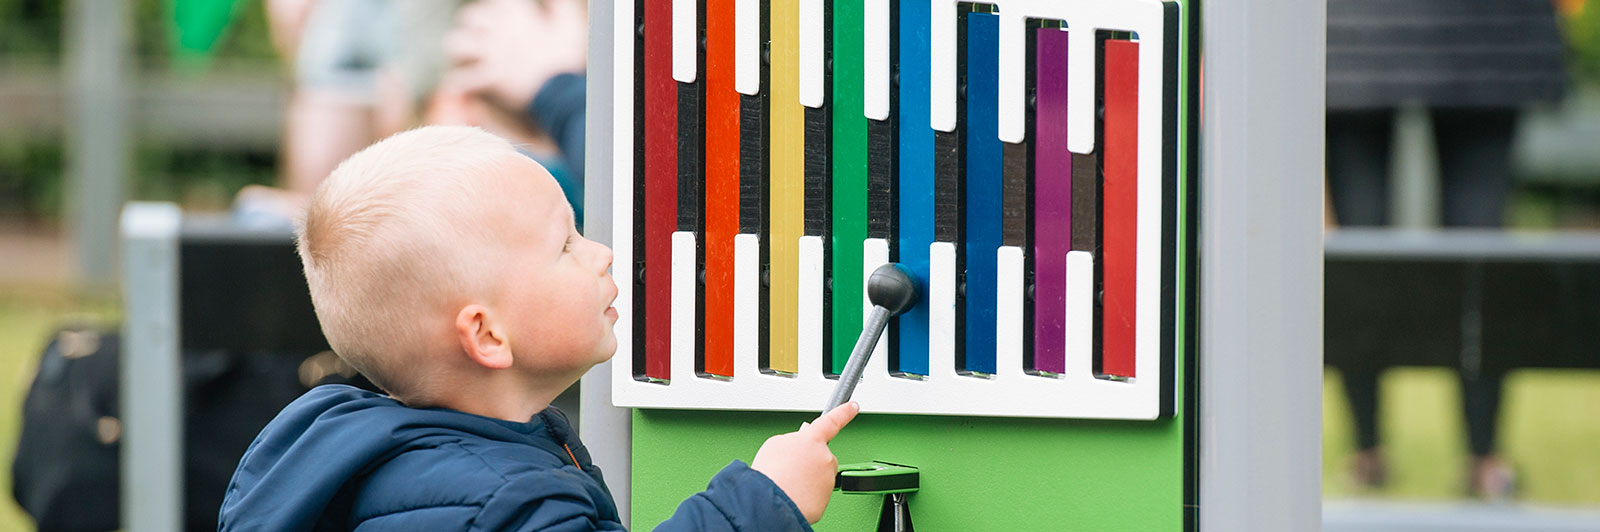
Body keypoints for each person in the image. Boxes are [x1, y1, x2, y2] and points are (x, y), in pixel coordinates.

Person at [218, 126, 856, 530]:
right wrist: (762, 504)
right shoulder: (502, 504)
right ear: (489, 337)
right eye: (566, 246)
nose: (601, 253)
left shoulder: (341, 451)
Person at [1325, 0, 1567, 500]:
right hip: (1473, 32)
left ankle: (1373, 453)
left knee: (1367, 241)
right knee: (1471, 245)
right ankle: (1478, 456)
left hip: (1366, 33)